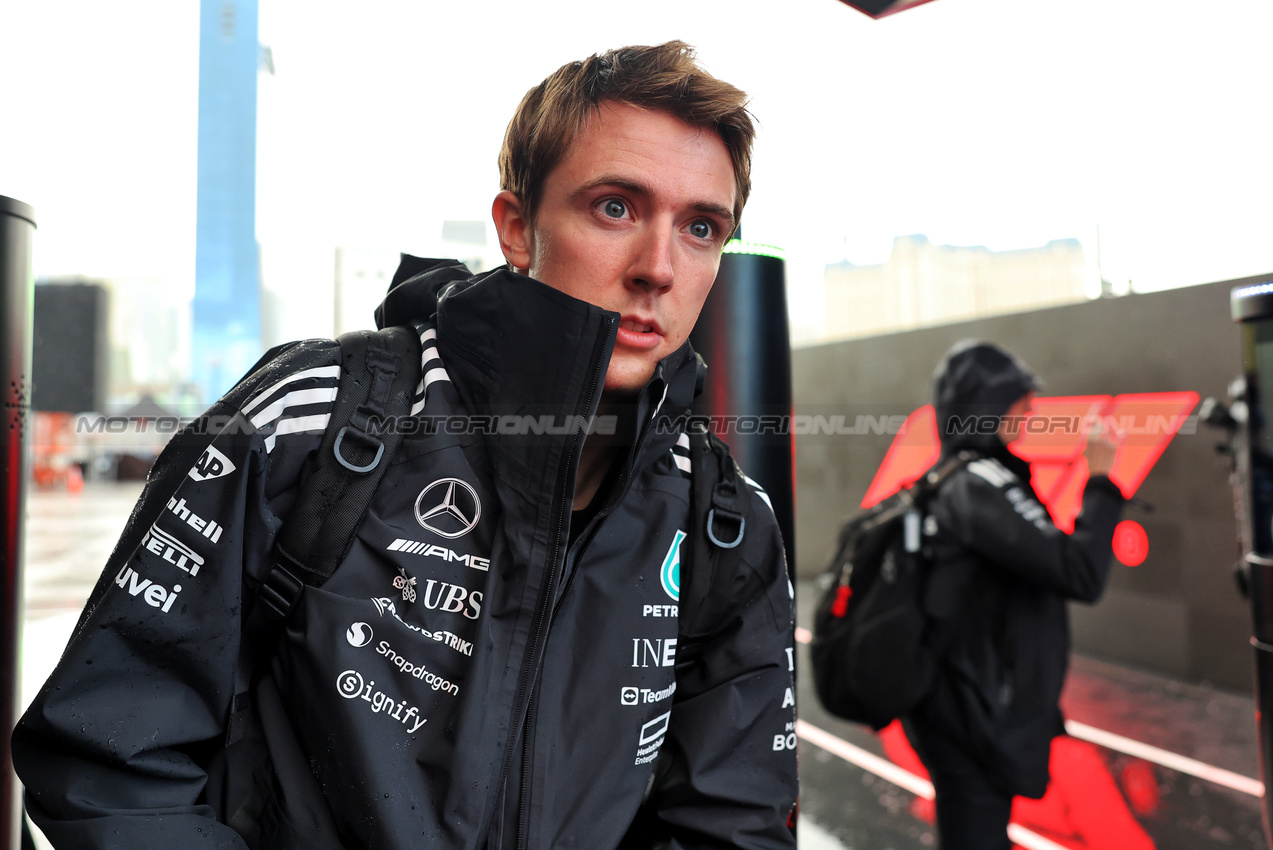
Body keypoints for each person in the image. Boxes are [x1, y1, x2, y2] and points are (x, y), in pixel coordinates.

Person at [13, 41, 798, 849]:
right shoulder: (305, 421)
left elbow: (729, 823)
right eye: (615, 208)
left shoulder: (726, 518)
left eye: (701, 227)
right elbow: (113, 760)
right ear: (518, 227)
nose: (658, 268)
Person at [902, 340, 1124, 850]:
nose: (1030, 410)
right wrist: (1101, 482)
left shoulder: (969, 478)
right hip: (970, 718)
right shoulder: (977, 484)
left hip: (967, 708)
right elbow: (1079, 573)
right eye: (1019, 399)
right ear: (989, 406)